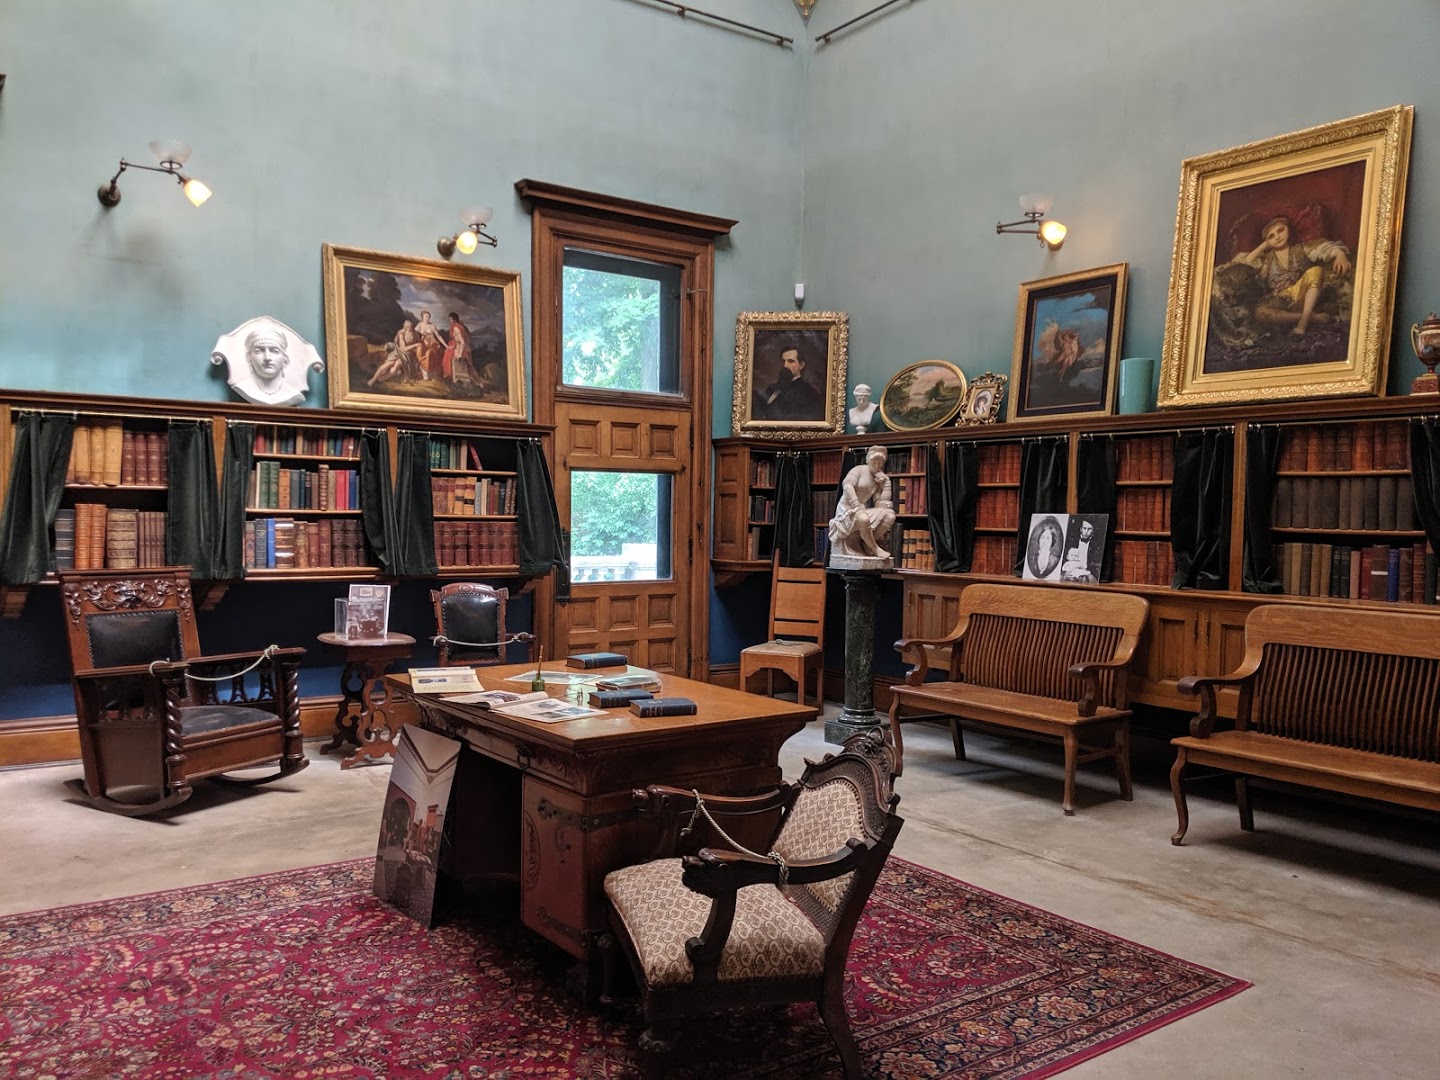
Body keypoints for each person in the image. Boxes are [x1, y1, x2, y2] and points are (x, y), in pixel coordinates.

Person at [1232, 214, 1352, 337]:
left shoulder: (1301, 248)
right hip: (1279, 300)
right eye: (1271, 236)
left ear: (1288, 229)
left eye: (1280, 230)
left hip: (1302, 295)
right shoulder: (1265, 260)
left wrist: (1340, 254)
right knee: (1261, 313)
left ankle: (1302, 323)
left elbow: (1324, 249)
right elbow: (1242, 265)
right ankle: (1310, 317)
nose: (1277, 237)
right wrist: (1264, 246)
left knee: (1316, 271)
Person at [828, 445, 896, 563]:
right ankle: (874, 548)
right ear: (868, 460)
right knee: (863, 519)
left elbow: (880, 503)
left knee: (890, 516)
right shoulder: (858, 470)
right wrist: (855, 503)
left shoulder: (877, 477)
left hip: (862, 508)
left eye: (880, 463)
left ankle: (866, 543)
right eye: (874, 461)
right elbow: (847, 486)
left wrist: (886, 485)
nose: (877, 465)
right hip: (847, 508)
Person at [758, 345, 824, 421]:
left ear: (801, 365)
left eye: (791, 361)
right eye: (783, 361)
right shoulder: (772, 388)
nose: (785, 366)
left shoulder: (809, 392)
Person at [244, 327, 290, 397]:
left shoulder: (291, 393)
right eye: (258, 351)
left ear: (285, 359)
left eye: (275, 351)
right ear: (249, 357)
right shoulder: (244, 388)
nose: (267, 358)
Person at [1060, 518, 1099, 583]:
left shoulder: (1095, 545)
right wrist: (1066, 572)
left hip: (1087, 572)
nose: (1086, 532)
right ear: (1081, 529)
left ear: (1093, 531)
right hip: (1070, 570)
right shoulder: (1072, 542)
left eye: (1089, 529)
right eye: (1084, 528)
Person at [443, 312, 475, 385]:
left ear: (455, 319)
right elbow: (456, 341)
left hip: (462, 349)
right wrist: (453, 347)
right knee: (448, 355)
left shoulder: (456, 328)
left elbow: (462, 342)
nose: (450, 321)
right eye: (450, 319)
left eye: (451, 319)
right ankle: (454, 380)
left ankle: (478, 383)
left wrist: (460, 354)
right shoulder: (454, 327)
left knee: (470, 367)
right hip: (457, 347)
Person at [415, 310, 448, 380]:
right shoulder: (419, 325)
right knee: (419, 352)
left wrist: (446, 345)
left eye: (428, 316)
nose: (427, 318)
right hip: (423, 345)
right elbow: (414, 334)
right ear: (422, 317)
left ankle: (431, 375)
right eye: (426, 316)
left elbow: (438, 336)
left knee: (429, 353)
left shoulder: (432, 326)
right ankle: (425, 374)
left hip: (433, 344)